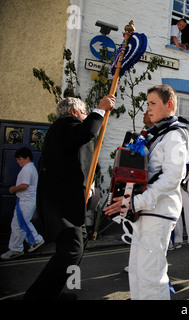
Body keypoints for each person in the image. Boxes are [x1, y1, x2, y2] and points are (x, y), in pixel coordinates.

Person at [24, 95, 115, 300]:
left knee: (78, 244)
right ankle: (37, 296)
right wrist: (100, 109)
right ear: (74, 112)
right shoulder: (66, 125)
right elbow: (86, 131)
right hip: (63, 205)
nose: (85, 116)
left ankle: (56, 291)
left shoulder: (63, 132)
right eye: (84, 112)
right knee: (72, 250)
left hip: (70, 203)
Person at [105, 85, 189, 300]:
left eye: (153, 103)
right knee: (137, 269)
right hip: (146, 210)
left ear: (169, 105)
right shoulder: (158, 134)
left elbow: (172, 179)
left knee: (151, 273)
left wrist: (135, 202)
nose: (148, 108)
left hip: (158, 211)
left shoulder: (174, 136)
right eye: (147, 103)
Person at [1, 148, 44, 260]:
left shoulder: (27, 169)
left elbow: (25, 185)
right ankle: (36, 240)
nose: (17, 161)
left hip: (26, 201)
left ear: (27, 158)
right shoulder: (30, 168)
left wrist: (13, 189)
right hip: (27, 200)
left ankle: (16, 249)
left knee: (18, 225)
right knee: (23, 223)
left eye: (19, 159)